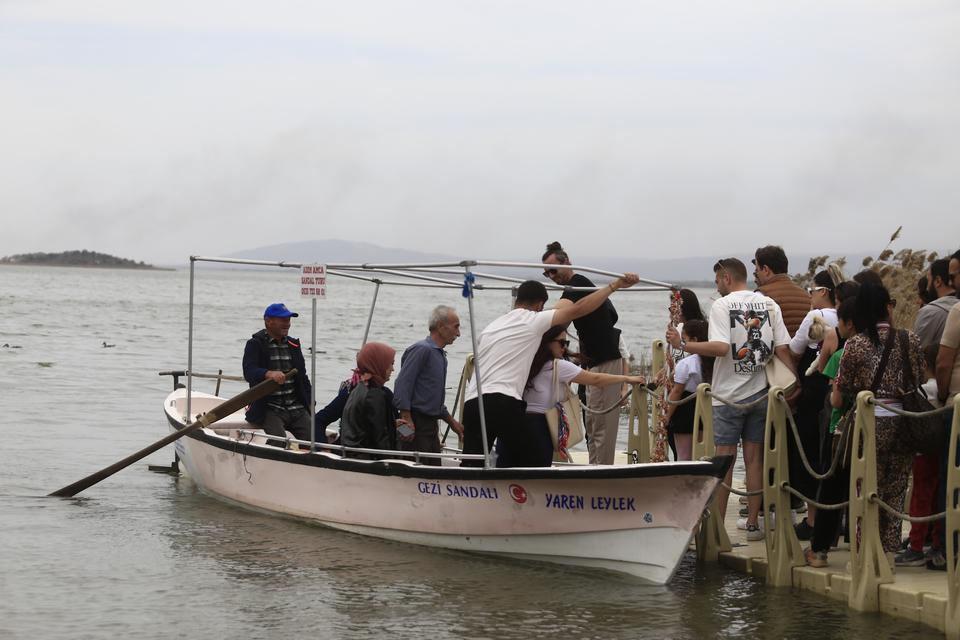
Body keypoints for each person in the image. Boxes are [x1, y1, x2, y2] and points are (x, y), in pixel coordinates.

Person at [666, 258, 795, 542]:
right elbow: (783, 348)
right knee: (754, 459)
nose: (716, 287)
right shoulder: (769, 304)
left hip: (728, 396)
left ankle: (718, 528)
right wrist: (795, 382)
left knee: (723, 460)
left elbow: (721, 347)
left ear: (725, 277)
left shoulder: (722, 306)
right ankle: (752, 523)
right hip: (761, 392)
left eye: (716, 281)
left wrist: (683, 345)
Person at [461, 273, 641, 467]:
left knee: (473, 464)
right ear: (540, 305)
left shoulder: (491, 327)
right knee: (533, 462)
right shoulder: (533, 319)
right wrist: (614, 286)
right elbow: (578, 309)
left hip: (473, 402)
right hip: (503, 400)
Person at [835, 283, 925, 561]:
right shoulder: (909, 339)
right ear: (888, 306)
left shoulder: (857, 344)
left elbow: (845, 387)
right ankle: (888, 556)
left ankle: (865, 555)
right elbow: (920, 377)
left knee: (865, 490)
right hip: (904, 423)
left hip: (869, 424)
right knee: (895, 491)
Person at [499, 326, 646, 467]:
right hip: (538, 427)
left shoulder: (525, 362)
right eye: (561, 343)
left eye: (566, 343)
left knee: (506, 476)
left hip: (512, 424)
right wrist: (626, 379)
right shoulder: (558, 366)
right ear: (547, 343)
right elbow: (596, 380)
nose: (564, 347)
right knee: (535, 476)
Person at [542, 242, 632, 464]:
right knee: (592, 423)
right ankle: (596, 467)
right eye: (546, 273)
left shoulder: (578, 283)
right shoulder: (576, 288)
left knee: (601, 425)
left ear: (568, 262)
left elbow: (556, 313)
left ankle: (601, 472)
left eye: (553, 270)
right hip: (594, 361)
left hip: (605, 359)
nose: (551, 276)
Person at [804, 296, 858, 567]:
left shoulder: (843, 354)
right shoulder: (889, 346)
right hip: (879, 431)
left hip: (842, 430)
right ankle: (865, 547)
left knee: (831, 488)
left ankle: (820, 549)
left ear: (848, 323)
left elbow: (836, 399)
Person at [787, 270, 839, 540]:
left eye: (812, 290)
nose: (810, 295)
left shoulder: (815, 317)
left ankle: (812, 518)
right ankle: (837, 519)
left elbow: (795, 350)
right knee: (832, 454)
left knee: (810, 453)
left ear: (824, 292)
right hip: (837, 391)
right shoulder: (844, 317)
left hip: (814, 390)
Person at [392, 305, 465, 466]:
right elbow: (403, 384)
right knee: (414, 470)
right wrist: (406, 419)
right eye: (456, 327)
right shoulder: (421, 350)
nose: (458, 333)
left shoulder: (439, 355)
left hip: (430, 426)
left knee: (433, 470)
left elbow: (433, 397)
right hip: (416, 423)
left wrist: (452, 422)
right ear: (440, 326)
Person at [242, 303, 312, 447]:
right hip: (269, 407)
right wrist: (268, 374)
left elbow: (303, 377)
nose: (287, 324)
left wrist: (311, 402)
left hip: (295, 407)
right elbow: (249, 372)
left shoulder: (293, 345)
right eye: (283, 320)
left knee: (313, 440)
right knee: (278, 441)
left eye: (288, 320)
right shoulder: (255, 344)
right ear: (268, 321)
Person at [339, 342, 403, 459]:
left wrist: (392, 424)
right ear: (379, 364)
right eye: (390, 364)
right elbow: (379, 438)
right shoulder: (374, 394)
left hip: (353, 455)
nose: (393, 369)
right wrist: (392, 463)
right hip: (367, 461)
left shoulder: (359, 388)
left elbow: (366, 425)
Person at [664, 319, 713, 461]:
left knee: (684, 455)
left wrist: (666, 416)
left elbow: (677, 392)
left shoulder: (686, 364)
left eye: (684, 339)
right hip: (707, 409)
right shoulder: (715, 361)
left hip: (685, 411)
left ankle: (682, 482)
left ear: (694, 340)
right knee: (703, 454)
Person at [753, 245, 810, 336]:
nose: (756, 275)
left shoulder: (761, 295)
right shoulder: (807, 296)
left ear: (766, 270)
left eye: (757, 271)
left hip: (778, 349)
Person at [914, 258, 958, 348]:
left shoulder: (930, 313)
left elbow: (915, 351)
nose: (927, 288)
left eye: (929, 280)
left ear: (938, 281)